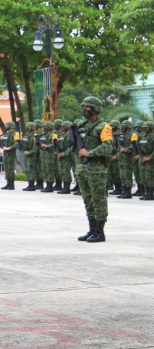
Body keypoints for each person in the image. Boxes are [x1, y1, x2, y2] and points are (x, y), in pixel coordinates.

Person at [74, 96, 113, 243]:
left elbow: (108, 146)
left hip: (96, 170)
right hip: (82, 168)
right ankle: (92, 230)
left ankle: (99, 232)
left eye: (88, 107)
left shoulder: (103, 126)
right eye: (84, 107)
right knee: (88, 200)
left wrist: (90, 153)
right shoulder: (82, 126)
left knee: (98, 200)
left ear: (95, 109)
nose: (85, 110)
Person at [116, 120, 137, 199]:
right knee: (122, 176)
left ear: (128, 127)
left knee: (127, 175)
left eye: (124, 126)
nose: (122, 127)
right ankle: (124, 191)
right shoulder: (121, 135)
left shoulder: (132, 135)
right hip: (121, 159)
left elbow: (134, 146)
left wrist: (126, 149)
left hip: (128, 159)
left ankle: (128, 192)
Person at [39, 122, 58, 193]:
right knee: (45, 170)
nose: (44, 128)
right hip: (43, 156)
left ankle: (50, 186)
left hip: (50, 156)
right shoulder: (43, 135)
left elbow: (55, 144)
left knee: (49, 171)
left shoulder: (53, 135)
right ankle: (47, 185)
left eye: (46, 126)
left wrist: (47, 146)